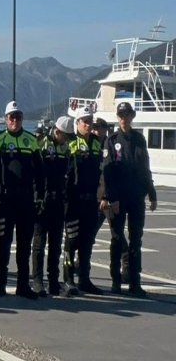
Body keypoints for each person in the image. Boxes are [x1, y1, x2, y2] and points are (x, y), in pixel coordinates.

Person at [99, 100, 158, 297]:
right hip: (118, 198)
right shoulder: (111, 140)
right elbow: (107, 171)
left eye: (127, 115)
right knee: (116, 239)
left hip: (136, 197)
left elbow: (145, 168)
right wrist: (108, 197)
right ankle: (116, 281)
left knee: (136, 241)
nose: (124, 119)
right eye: (121, 115)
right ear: (118, 118)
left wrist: (152, 193)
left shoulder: (139, 140)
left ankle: (135, 281)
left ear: (132, 117)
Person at [0, 100, 43, 299]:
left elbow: (40, 173)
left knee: (24, 246)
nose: (15, 120)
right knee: (3, 244)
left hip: (26, 202)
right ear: (5, 119)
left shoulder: (31, 141)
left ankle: (23, 285)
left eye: (18, 117)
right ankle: (0, 284)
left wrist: (40, 197)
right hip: (5, 202)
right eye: (11, 117)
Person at [64, 107, 104, 296]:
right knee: (71, 242)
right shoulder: (70, 143)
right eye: (84, 121)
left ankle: (85, 279)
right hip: (73, 201)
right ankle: (68, 279)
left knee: (87, 242)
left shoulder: (97, 143)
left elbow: (101, 171)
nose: (88, 125)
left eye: (90, 121)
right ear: (77, 123)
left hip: (90, 202)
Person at [34, 116, 72, 297]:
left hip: (59, 201)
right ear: (57, 132)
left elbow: (69, 173)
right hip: (43, 200)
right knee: (39, 243)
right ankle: (38, 281)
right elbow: (34, 174)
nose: (67, 139)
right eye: (65, 135)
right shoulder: (41, 144)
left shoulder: (65, 149)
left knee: (56, 244)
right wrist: (37, 197)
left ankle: (54, 281)